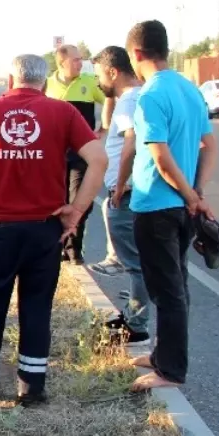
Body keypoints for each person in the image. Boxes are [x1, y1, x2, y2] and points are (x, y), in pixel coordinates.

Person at [0, 53, 108, 405]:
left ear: (9, 81)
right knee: (37, 308)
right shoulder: (63, 112)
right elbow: (99, 158)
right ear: (45, 81)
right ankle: (31, 387)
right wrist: (76, 210)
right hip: (44, 230)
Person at [124, 20, 218, 392]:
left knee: (167, 290)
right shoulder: (189, 89)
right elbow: (210, 147)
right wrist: (196, 192)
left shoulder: (150, 95)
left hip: (156, 207)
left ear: (136, 54)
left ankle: (170, 371)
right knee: (175, 282)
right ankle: (164, 356)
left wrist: (190, 194)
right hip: (181, 206)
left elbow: (160, 158)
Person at [89, 45, 150, 345]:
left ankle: (136, 325)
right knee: (143, 262)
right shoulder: (137, 96)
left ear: (113, 72)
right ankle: (134, 317)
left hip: (126, 193)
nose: (99, 81)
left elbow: (131, 143)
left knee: (136, 264)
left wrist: (121, 185)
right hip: (139, 191)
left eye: (100, 74)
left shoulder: (129, 102)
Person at [45, 44, 107, 264]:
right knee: (55, 202)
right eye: (76, 60)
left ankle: (73, 248)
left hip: (81, 154)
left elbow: (111, 98)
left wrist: (103, 128)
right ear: (62, 63)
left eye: (81, 59)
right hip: (53, 156)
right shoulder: (47, 85)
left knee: (80, 201)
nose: (81, 63)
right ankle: (57, 246)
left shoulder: (89, 83)